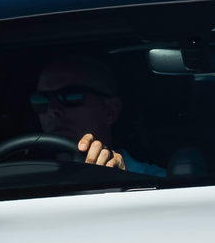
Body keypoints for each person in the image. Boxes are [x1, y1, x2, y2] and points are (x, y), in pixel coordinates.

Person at [30, 56, 166, 176]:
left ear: (110, 110)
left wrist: (122, 181)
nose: (52, 110)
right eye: (42, 100)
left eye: (71, 96)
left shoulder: (158, 183)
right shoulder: (27, 182)